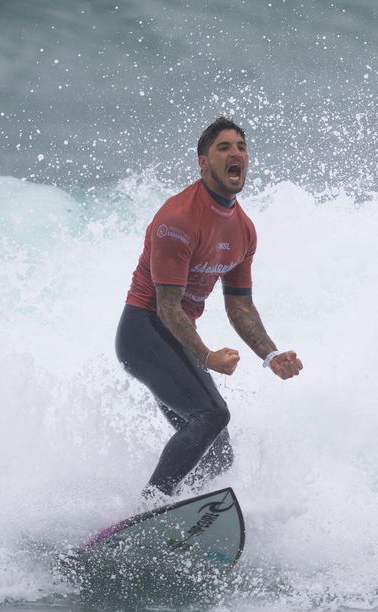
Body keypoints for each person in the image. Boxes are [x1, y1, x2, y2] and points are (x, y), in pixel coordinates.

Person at [116, 116, 303, 502]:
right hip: (143, 333)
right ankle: (150, 507)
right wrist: (205, 356)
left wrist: (270, 354)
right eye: (224, 147)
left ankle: (179, 513)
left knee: (218, 452)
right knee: (211, 416)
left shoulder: (243, 229)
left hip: (175, 341)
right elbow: (167, 308)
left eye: (241, 147)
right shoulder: (178, 220)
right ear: (203, 161)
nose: (236, 153)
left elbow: (241, 307)